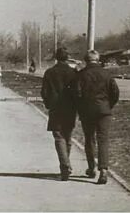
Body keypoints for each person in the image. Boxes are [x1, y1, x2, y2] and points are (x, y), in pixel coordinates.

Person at [75, 50, 119, 185]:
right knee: (103, 140)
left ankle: (91, 168)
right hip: (104, 111)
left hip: (87, 111)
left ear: (86, 60)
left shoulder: (81, 75)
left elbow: (77, 94)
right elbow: (115, 92)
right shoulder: (107, 74)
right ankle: (104, 171)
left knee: (89, 140)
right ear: (98, 59)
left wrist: (81, 108)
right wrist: (108, 105)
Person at [40, 47, 77, 181]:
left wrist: (48, 104)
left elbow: (44, 92)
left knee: (58, 136)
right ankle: (66, 164)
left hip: (55, 109)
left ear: (56, 58)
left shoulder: (49, 72)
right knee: (67, 137)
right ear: (67, 58)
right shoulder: (73, 73)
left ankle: (65, 166)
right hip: (70, 109)